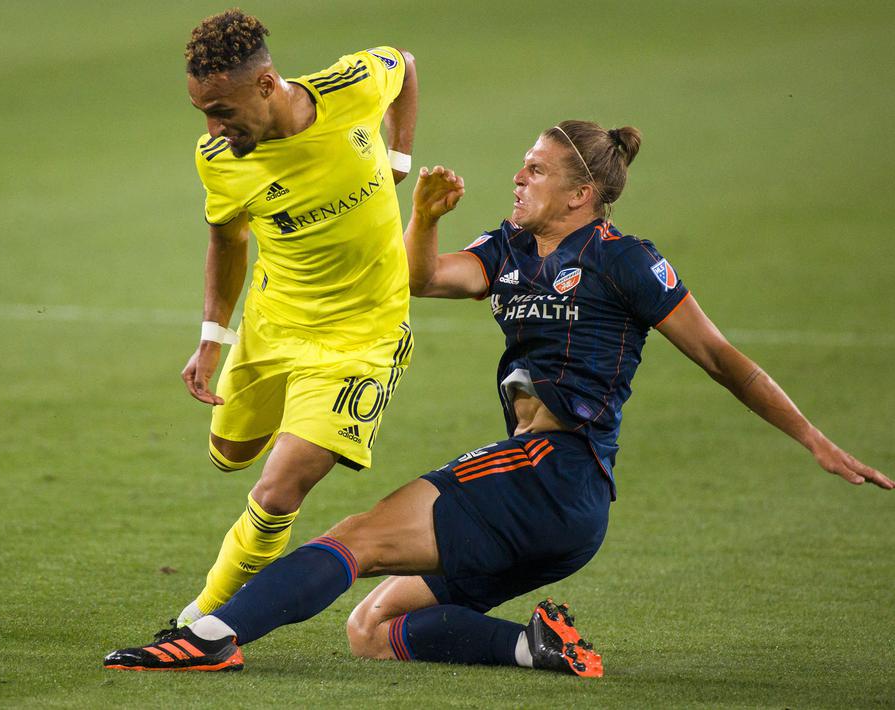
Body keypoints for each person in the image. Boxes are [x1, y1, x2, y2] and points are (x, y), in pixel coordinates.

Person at [105, 120, 891, 674]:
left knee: (357, 538)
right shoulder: (507, 248)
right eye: (521, 166)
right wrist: (422, 218)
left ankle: (211, 634)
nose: (518, 178)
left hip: (558, 471)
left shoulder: (625, 261)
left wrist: (811, 437)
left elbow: (722, 358)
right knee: (373, 629)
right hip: (549, 503)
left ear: (582, 192)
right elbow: (421, 278)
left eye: (536, 170)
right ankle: (535, 646)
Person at [168, 9, 420, 628]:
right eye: (202, 111)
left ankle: (202, 618)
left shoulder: (350, 87)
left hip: (360, 338)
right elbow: (228, 241)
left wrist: (399, 161)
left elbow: (405, 66)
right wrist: (211, 338)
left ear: (265, 84)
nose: (212, 127)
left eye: (222, 111)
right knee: (229, 454)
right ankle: (298, 412)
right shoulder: (219, 159)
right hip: (274, 325)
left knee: (276, 493)